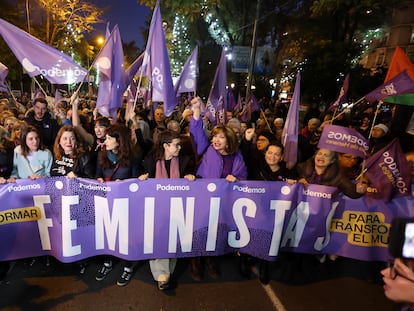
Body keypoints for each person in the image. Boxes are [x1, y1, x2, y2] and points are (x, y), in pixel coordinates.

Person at [189, 96, 247, 280]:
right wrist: (196, 110)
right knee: (200, 230)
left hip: (223, 204)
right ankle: (196, 262)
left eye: (221, 137)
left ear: (229, 140)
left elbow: (243, 178)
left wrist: (236, 179)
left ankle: (210, 261)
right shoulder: (207, 150)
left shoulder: (237, 157)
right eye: (214, 136)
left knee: (216, 233)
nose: (216, 140)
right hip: (203, 201)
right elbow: (197, 133)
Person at [138, 130, 195, 291]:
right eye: (176, 145)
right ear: (166, 146)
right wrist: (143, 179)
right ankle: (162, 274)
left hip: (178, 209)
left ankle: (166, 271)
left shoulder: (185, 161)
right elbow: (142, 182)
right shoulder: (150, 161)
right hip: (156, 209)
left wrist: (191, 177)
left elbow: (195, 181)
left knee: (173, 240)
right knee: (159, 238)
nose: (179, 148)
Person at [94, 123, 142, 287]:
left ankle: (128, 266)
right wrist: (99, 179)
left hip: (125, 204)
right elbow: (97, 175)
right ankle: (108, 262)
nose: (104, 140)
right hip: (106, 201)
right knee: (108, 233)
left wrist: (125, 183)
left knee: (125, 236)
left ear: (119, 141)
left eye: (108, 138)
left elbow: (136, 182)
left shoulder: (133, 157)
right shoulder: (102, 154)